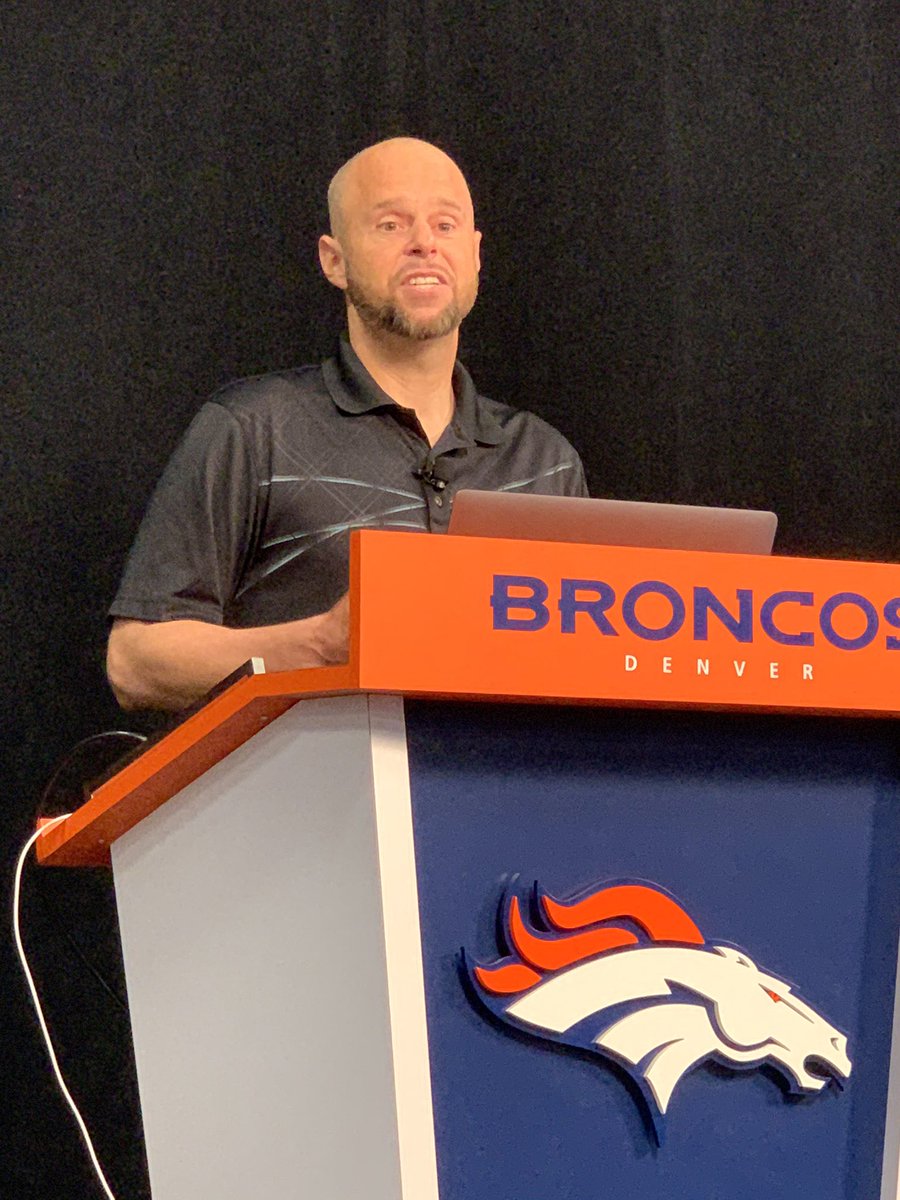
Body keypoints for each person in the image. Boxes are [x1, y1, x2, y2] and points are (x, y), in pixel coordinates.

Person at [106, 137, 588, 710]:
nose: (424, 244)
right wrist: (317, 648)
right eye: (391, 225)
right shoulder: (254, 429)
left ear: (476, 253)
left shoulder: (544, 461)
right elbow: (134, 663)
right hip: (309, 766)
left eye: (445, 224)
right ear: (334, 260)